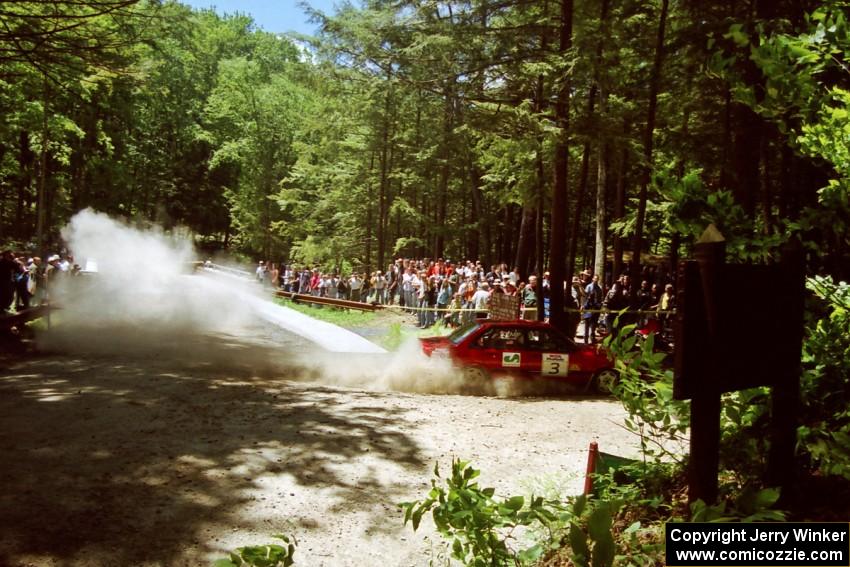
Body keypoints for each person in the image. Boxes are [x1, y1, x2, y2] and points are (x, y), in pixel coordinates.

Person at [583, 274, 603, 344]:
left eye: (597, 279)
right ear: (592, 279)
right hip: (588, 307)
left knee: (593, 325)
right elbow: (585, 296)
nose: (596, 280)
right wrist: (584, 305)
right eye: (595, 278)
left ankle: (592, 338)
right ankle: (585, 339)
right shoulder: (588, 286)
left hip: (596, 308)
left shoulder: (599, 288)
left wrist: (599, 306)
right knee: (587, 325)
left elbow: (600, 298)